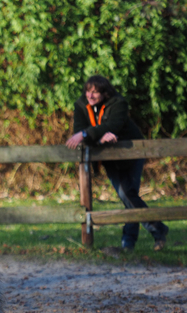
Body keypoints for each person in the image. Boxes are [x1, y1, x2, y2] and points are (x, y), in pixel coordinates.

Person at [66, 75, 169, 251]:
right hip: (109, 156)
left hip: (131, 153)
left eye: (95, 92)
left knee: (127, 194)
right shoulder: (81, 105)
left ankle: (130, 241)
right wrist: (97, 140)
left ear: (105, 94)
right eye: (88, 91)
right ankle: (155, 230)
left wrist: (87, 134)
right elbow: (80, 131)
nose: (90, 96)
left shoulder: (118, 103)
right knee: (127, 195)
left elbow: (113, 125)